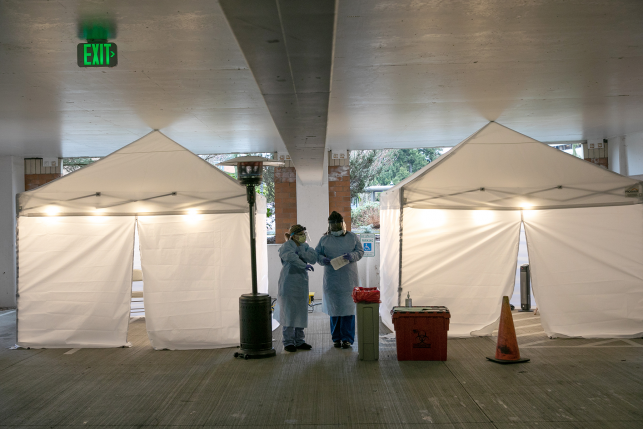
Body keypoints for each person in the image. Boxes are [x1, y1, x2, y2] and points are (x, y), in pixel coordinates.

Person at [315, 211, 364, 349]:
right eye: (333, 226)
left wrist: (352, 256)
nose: (336, 229)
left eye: (338, 225)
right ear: (329, 226)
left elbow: (360, 252)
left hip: (349, 279)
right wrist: (322, 259)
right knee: (334, 309)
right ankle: (336, 338)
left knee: (348, 309)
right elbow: (317, 253)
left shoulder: (352, 237)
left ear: (343, 224)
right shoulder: (325, 240)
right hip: (332, 279)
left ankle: (347, 339)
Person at [276, 224, 317, 352]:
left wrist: (303, 253)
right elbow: (290, 257)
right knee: (289, 311)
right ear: (294, 236)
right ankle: (288, 342)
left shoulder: (305, 246)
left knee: (300, 311)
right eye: (301, 234)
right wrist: (302, 263)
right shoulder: (286, 246)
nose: (304, 236)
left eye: (305, 234)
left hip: (301, 283)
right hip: (289, 282)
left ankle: (300, 340)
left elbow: (313, 258)